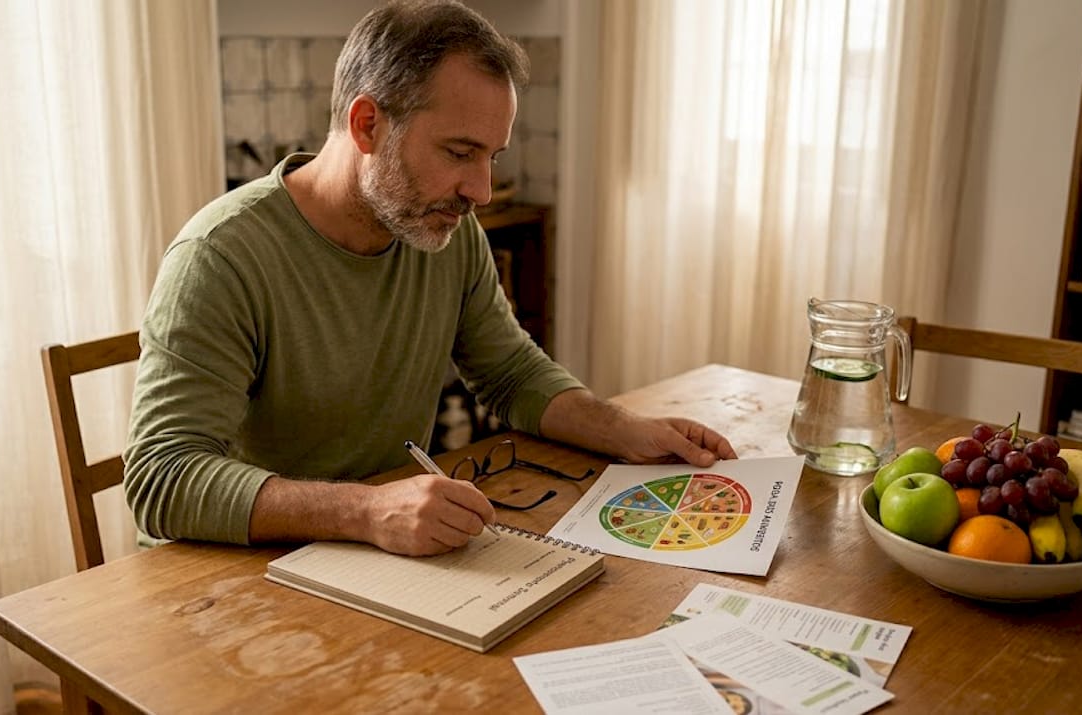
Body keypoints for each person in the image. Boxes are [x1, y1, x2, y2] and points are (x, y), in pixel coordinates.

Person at [124, 0, 736, 557]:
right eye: (459, 152)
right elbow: (162, 477)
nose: (482, 191)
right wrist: (366, 509)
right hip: (232, 571)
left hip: (374, 555)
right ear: (367, 125)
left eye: (492, 157)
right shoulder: (221, 255)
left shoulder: (445, 233)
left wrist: (623, 429)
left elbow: (511, 373)